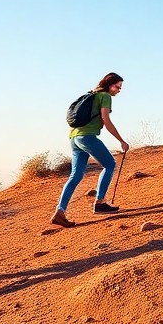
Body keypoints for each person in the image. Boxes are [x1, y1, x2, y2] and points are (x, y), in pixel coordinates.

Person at [52, 72, 130, 227]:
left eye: (120, 88)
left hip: (74, 138)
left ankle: (60, 212)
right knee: (110, 165)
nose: (118, 90)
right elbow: (106, 121)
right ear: (109, 84)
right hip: (87, 137)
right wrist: (121, 141)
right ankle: (100, 203)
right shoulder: (105, 96)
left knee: (76, 175)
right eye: (116, 86)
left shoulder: (92, 94)